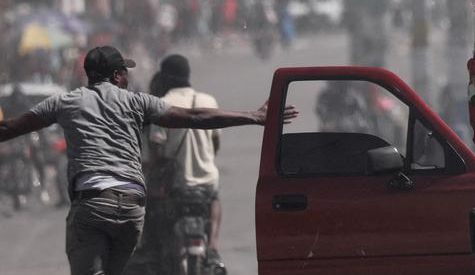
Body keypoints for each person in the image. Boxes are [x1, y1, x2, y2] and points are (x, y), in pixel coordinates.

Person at [0, 45, 297, 275]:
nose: (128, 76)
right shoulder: (137, 101)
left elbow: (11, 128)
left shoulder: (65, 101)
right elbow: (194, 117)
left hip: (91, 205)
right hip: (131, 209)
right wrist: (254, 117)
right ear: (117, 75)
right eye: (125, 71)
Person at [146, 54, 225, 269]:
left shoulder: (162, 104)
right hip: (206, 182)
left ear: (165, 77)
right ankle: (214, 246)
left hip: (177, 184)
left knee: (160, 223)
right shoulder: (208, 101)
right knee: (215, 197)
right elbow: (215, 144)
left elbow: (157, 150)